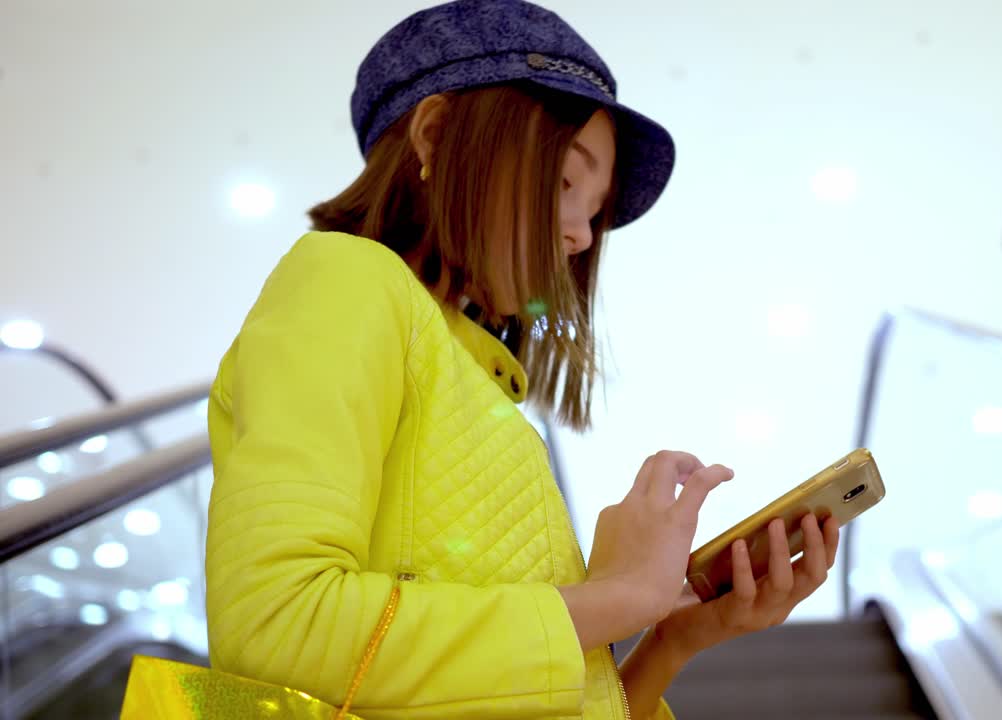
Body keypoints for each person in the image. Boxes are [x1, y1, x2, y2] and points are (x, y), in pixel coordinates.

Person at [204, 1, 841, 718]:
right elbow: (277, 625)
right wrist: (616, 595)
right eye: (567, 184)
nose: (579, 236)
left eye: (594, 213)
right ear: (437, 135)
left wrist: (668, 641)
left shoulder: (478, 386)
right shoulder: (346, 280)